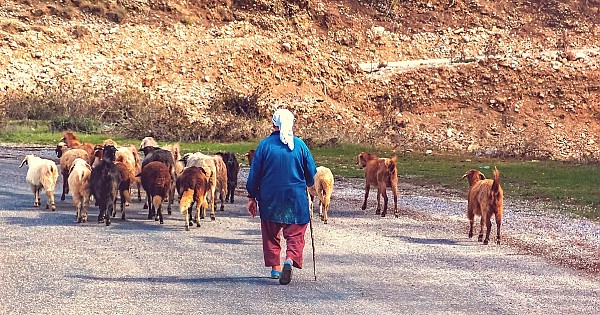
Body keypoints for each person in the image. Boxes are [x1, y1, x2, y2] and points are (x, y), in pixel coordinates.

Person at [246, 108, 317, 285]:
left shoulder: (264, 146)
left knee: (271, 233)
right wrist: (308, 184)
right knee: (295, 233)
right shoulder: (300, 146)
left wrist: (251, 196)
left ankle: (275, 268)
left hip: (270, 199)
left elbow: (254, 174)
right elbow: (311, 174)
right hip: (295, 198)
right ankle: (290, 259)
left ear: (273, 124)